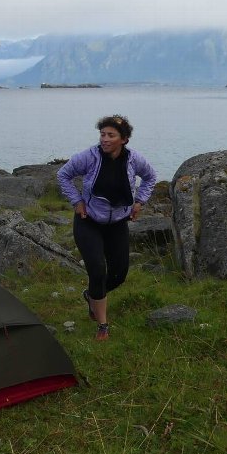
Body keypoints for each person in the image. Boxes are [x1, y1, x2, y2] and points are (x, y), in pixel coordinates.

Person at [56, 114, 157, 341]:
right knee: (97, 271)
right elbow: (63, 175)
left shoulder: (133, 159)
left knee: (119, 274)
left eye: (111, 135)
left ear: (124, 139)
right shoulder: (89, 157)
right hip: (88, 221)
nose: (105, 139)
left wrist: (139, 201)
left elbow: (150, 177)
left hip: (117, 223)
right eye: (102, 134)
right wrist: (77, 201)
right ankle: (103, 325)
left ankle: (91, 294)